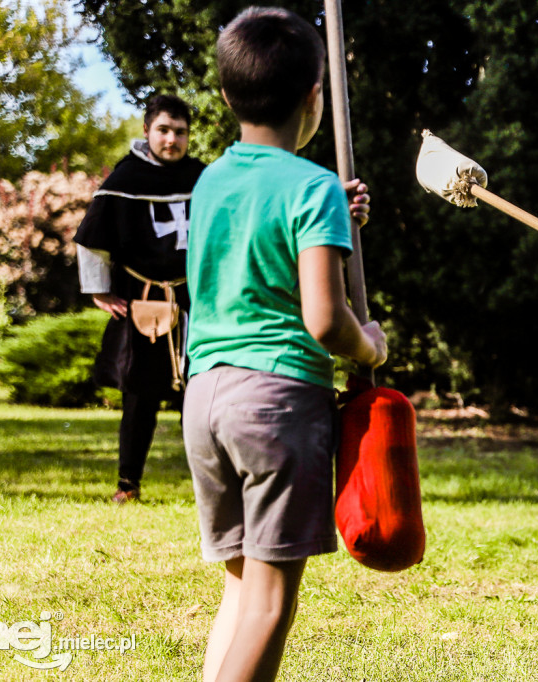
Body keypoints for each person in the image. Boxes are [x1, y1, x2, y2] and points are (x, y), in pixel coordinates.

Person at [181, 7, 385, 682]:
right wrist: (370, 349)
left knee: (241, 589)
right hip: (273, 400)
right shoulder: (312, 186)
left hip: (204, 396)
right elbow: (325, 320)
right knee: (271, 605)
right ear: (314, 97)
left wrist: (334, 215)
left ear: (224, 94)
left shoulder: (210, 181)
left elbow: (252, 248)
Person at [74, 95, 206, 504]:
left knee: (201, 395)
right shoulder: (124, 179)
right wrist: (99, 291)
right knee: (139, 395)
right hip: (142, 299)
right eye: (164, 130)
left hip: (193, 299)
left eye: (180, 132)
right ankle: (128, 485)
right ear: (147, 130)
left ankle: (214, 485)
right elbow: (91, 240)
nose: (172, 140)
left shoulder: (204, 177)